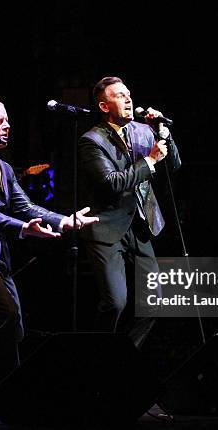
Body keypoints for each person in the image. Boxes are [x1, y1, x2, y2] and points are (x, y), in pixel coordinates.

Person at [0, 97, 98, 379]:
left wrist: (64, 220)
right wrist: (22, 228)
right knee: (2, 317)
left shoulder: (2, 166)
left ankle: (8, 384)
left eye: (6, 120)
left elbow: (25, 206)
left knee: (13, 321)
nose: (6, 126)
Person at [78, 76, 181, 345]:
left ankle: (124, 356)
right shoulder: (92, 140)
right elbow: (111, 183)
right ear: (104, 106)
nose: (128, 99)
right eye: (120, 95)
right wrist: (149, 160)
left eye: (129, 94)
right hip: (107, 227)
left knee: (154, 301)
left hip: (140, 223)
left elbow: (174, 166)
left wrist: (162, 131)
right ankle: (97, 355)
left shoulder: (143, 130)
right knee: (116, 302)